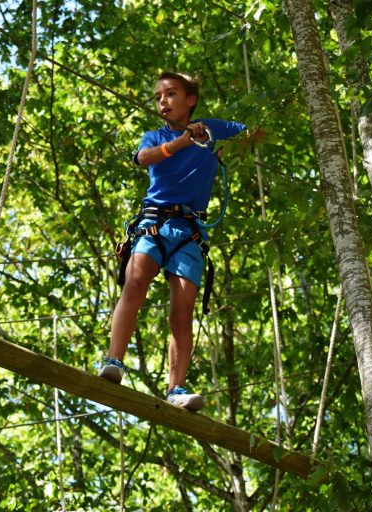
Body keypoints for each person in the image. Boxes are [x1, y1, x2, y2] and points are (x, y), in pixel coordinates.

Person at [99, 72, 246, 411]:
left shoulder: (210, 130)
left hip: (190, 231)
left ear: (190, 100)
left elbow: (251, 132)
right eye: (158, 97)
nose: (163, 101)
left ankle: (176, 388)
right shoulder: (155, 136)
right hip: (154, 223)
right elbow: (143, 158)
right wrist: (182, 141)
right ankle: (114, 361)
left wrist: (230, 147)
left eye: (171, 93)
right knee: (135, 283)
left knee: (182, 313)